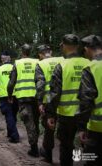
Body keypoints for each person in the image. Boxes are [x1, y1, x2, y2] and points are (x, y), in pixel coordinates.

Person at [46, 34, 90, 166]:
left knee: (66, 146)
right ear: (77, 46)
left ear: (64, 46)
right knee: (89, 146)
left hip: (67, 115)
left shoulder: (61, 66)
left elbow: (54, 93)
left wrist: (50, 114)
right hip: (88, 114)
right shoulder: (90, 64)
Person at [8, 44, 40, 157]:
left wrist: (10, 95)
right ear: (30, 51)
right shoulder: (37, 61)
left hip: (23, 97)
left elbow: (11, 82)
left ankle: (34, 148)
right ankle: (36, 144)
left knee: (28, 121)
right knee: (36, 121)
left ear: (22, 51)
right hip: (36, 97)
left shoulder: (17, 63)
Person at [34, 44, 64, 163]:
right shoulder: (62, 60)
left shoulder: (41, 64)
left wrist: (40, 101)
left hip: (48, 101)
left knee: (49, 128)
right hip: (66, 101)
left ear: (40, 54)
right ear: (50, 52)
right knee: (65, 130)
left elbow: (40, 85)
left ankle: (48, 156)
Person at [76, 35, 102, 166]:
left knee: (91, 160)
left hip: (97, 128)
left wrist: (81, 127)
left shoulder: (91, 68)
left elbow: (86, 100)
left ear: (87, 49)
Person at [0, 50, 20, 143]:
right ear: (10, 58)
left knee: (9, 116)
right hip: (16, 95)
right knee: (14, 114)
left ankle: (14, 136)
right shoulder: (15, 67)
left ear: (2, 59)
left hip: (4, 96)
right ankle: (10, 132)